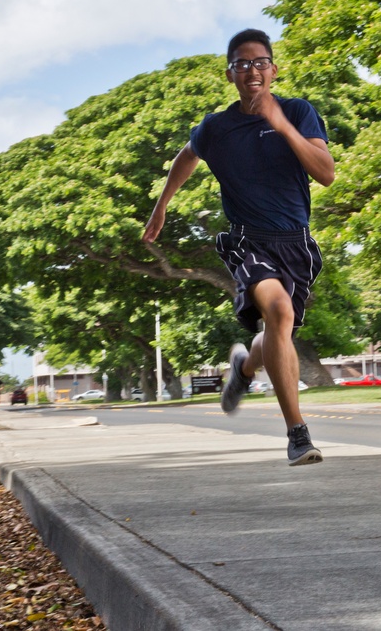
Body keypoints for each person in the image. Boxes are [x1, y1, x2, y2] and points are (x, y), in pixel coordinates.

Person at [143, 28, 334, 466]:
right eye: (243, 64)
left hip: (297, 242)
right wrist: (162, 205)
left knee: (278, 331)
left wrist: (281, 125)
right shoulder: (217, 127)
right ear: (230, 74)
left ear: (274, 70)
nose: (253, 70)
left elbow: (326, 173)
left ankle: (245, 367)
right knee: (280, 313)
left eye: (261, 62)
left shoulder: (298, 112)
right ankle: (298, 434)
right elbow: (187, 156)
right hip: (248, 239)